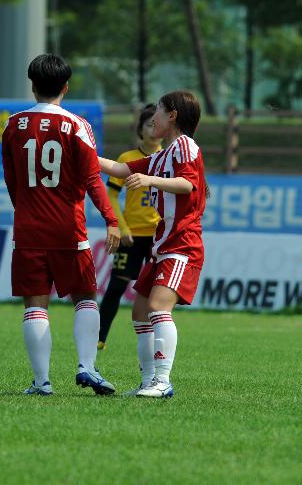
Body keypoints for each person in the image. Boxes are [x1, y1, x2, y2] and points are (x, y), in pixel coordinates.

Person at [1, 53, 121, 396]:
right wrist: (111, 219)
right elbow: (92, 179)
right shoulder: (77, 126)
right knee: (85, 296)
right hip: (69, 228)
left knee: (35, 304)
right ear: (66, 87)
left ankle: (42, 382)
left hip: (28, 228)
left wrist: (24, 208)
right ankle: (86, 367)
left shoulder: (13, 124)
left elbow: (11, 178)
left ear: (33, 85)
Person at [98, 91, 207, 399]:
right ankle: (148, 382)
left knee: (158, 308)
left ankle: (162, 381)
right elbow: (120, 170)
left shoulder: (185, 145)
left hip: (182, 244)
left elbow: (188, 185)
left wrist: (150, 181)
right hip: (163, 245)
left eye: (158, 111)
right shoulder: (163, 154)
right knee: (140, 312)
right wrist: (82, 154)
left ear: (172, 115)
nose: (153, 117)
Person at [98, 104, 162, 350]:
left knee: (156, 294)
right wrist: (121, 227)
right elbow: (111, 195)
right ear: (140, 130)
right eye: (149, 124)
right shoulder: (127, 159)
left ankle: (157, 343)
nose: (154, 129)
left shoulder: (168, 157)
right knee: (116, 286)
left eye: (156, 124)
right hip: (132, 236)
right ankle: (100, 338)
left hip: (158, 238)